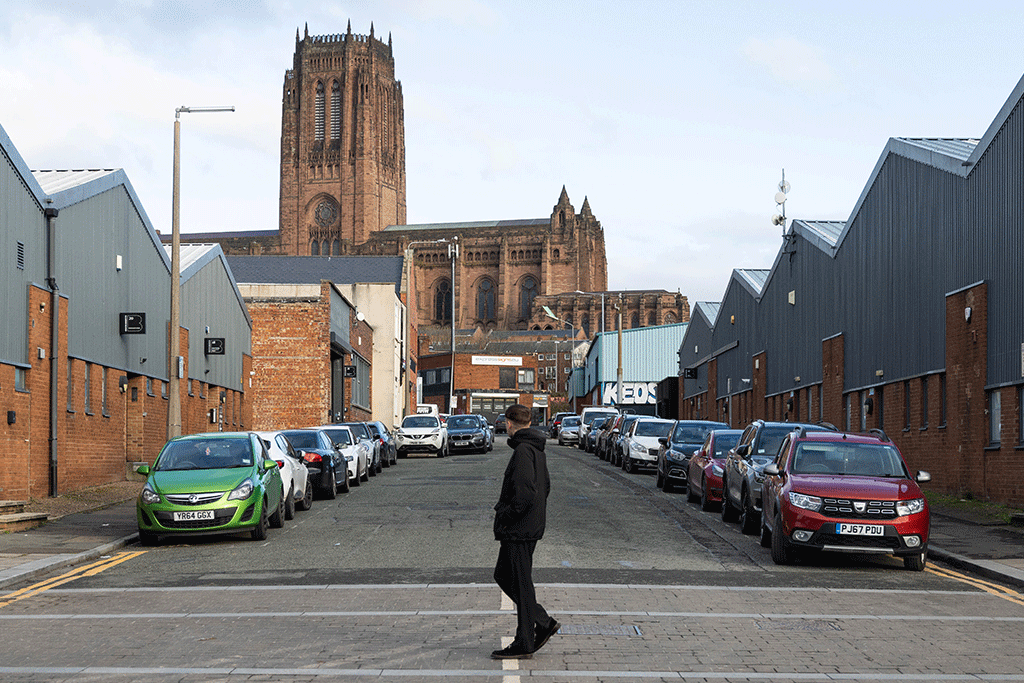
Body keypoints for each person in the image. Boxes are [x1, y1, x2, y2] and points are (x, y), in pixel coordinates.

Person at [491, 404, 560, 660]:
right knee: (506, 576)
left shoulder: (522, 450)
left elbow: (525, 494)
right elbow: (546, 486)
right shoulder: (535, 449)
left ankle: (526, 640)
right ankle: (542, 622)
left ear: (509, 423)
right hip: (528, 526)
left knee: (519, 582)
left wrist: (505, 514)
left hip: (519, 529)